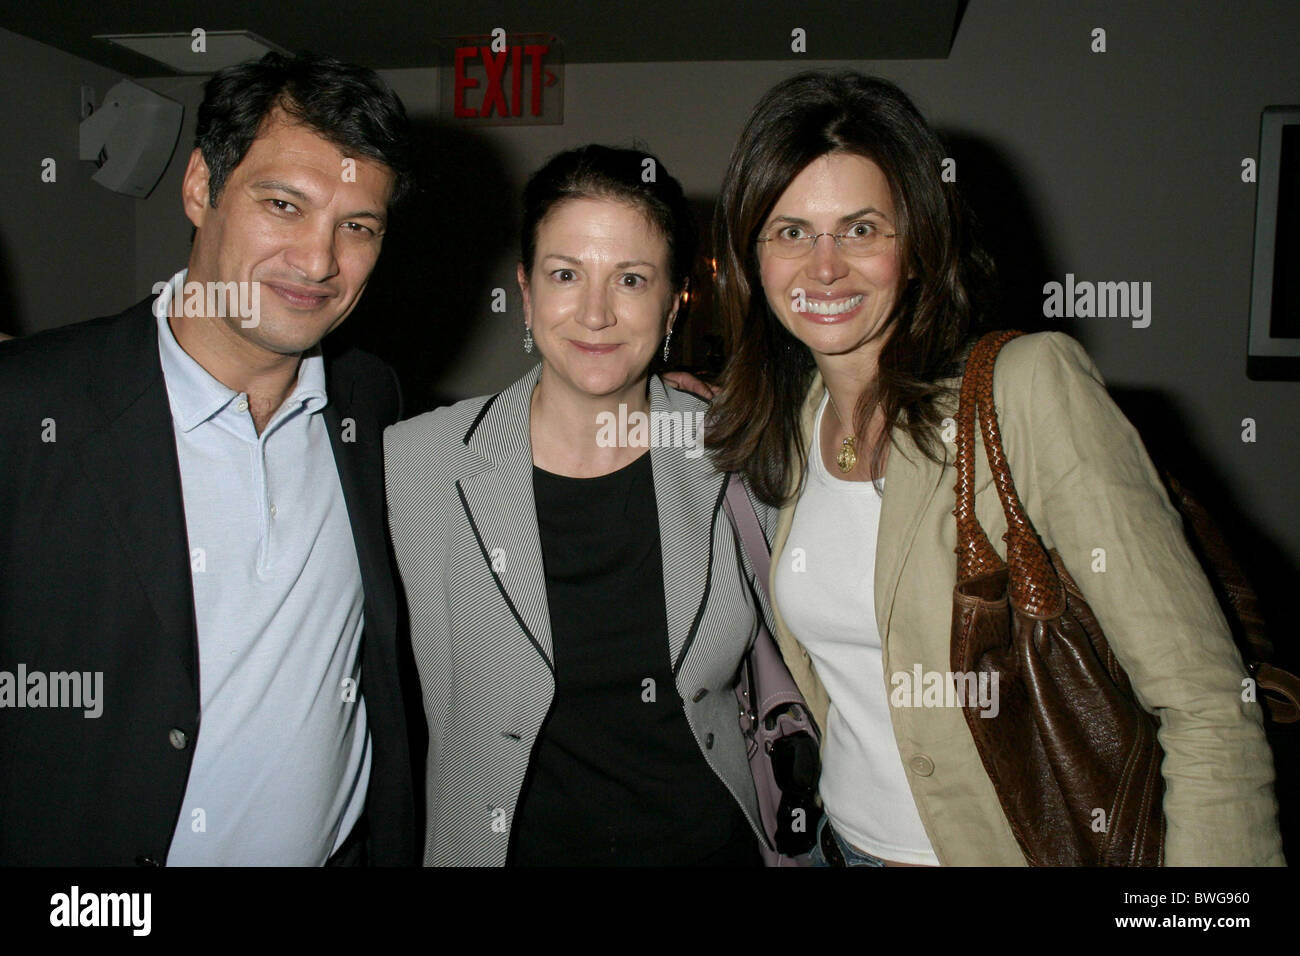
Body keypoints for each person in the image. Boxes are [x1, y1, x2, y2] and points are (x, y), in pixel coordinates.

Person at [703, 71, 1285, 866]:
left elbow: (1210, 703)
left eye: (863, 228)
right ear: (752, 257)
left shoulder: (1028, 388)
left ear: (918, 248)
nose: (825, 265)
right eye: (791, 231)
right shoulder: (799, 425)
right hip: (845, 848)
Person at [0, 52, 419, 866]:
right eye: (283, 204)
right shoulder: (30, 407)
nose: (318, 260)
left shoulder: (371, 404)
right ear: (200, 188)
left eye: (357, 226)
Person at [385, 145, 770, 866]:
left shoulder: (739, 458)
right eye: (566, 275)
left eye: (631, 278)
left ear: (676, 299)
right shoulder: (415, 467)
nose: (595, 313)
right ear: (527, 293)